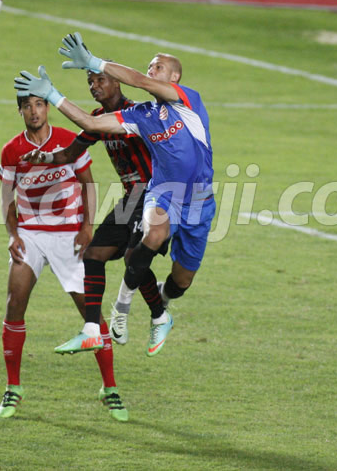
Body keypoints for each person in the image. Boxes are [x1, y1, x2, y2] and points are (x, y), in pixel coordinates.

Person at [13, 32, 215, 358]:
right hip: (151, 196)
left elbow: (139, 81)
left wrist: (95, 61)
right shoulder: (135, 118)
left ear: (174, 77)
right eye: (90, 82)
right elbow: (80, 137)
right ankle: (99, 326)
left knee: (179, 283)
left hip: (196, 202)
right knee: (101, 254)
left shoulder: (186, 100)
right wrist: (51, 96)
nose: (94, 86)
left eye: (158, 66)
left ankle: (161, 307)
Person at [0, 92, 128, 421]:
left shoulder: (69, 141)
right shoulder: (12, 150)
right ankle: (13, 388)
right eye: (27, 106)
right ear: (20, 111)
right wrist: (13, 235)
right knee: (15, 302)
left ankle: (110, 389)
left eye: (39, 104)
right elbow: (7, 199)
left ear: (47, 108)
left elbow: (88, 184)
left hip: (70, 236)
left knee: (91, 313)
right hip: (31, 235)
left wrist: (87, 227)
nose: (34, 111)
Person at [20, 69, 169, 349]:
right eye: (90, 81)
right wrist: (45, 156)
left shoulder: (137, 113)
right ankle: (91, 330)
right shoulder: (98, 118)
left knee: (131, 256)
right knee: (94, 254)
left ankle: (159, 315)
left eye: (100, 79)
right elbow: (70, 153)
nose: (94, 85)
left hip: (154, 195)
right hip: (131, 197)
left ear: (117, 82)